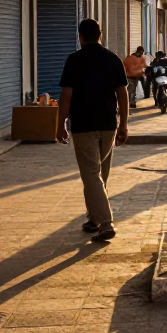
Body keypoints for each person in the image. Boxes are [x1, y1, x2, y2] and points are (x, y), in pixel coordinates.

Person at [56, 19, 129, 243]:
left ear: (81, 36)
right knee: (99, 175)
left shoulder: (74, 60)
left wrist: (60, 124)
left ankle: (106, 224)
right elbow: (122, 93)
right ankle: (93, 218)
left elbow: (66, 95)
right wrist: (124, 124)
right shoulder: (113, 59)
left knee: (91, 176)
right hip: (108, 124)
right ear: (100, 35)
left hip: (84, 126)